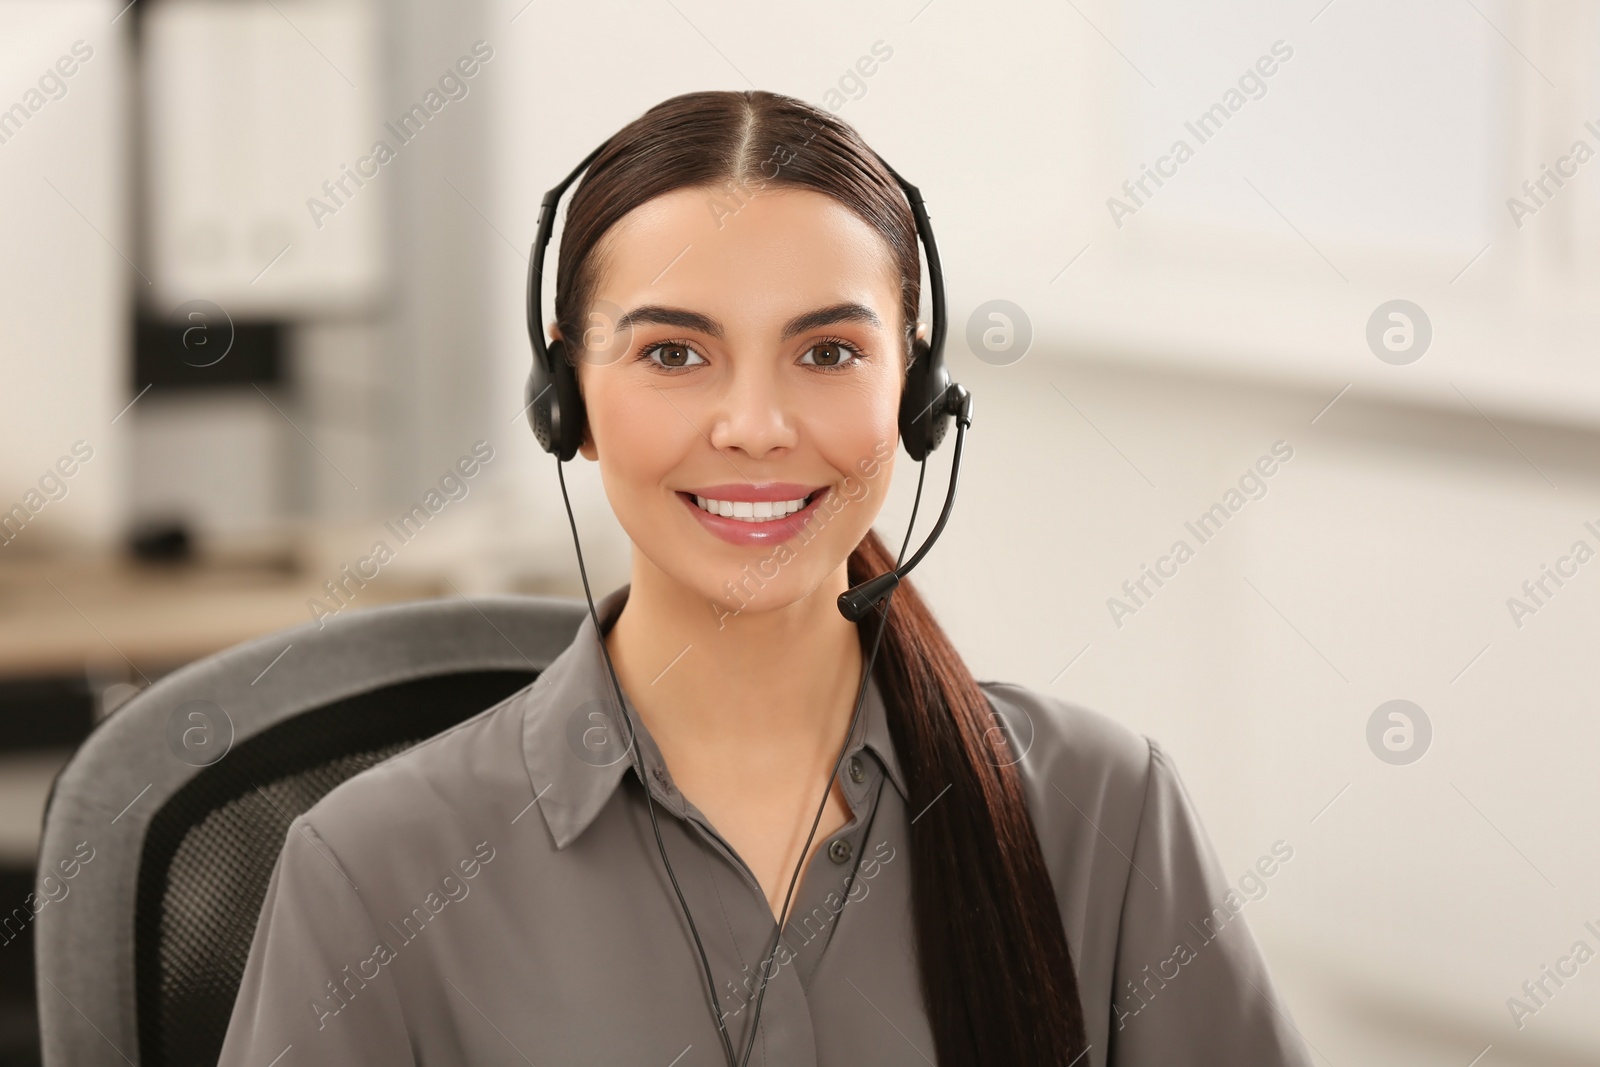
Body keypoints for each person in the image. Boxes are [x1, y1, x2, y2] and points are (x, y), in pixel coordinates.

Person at [217, 90, 1313, 1067]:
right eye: (673, 354)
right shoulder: (374, 874)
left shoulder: (1104, 813)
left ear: (916, 392)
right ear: (568, 401)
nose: (753, 427)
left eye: (828, 351)